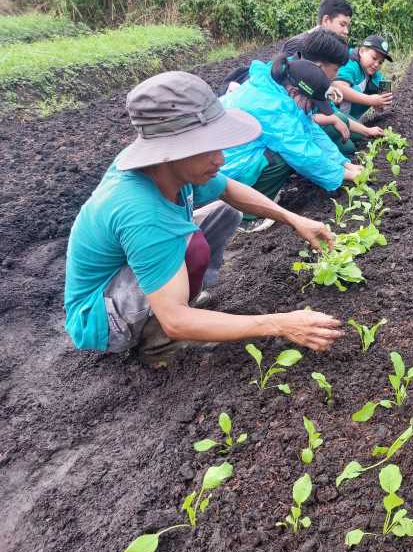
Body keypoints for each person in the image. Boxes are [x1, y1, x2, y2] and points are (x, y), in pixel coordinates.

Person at [64, 71, 344, 367]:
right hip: (101, 317)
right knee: (190, 250)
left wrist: (294, 219)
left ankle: (182, 300)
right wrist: (282, 323)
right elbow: (175, 320)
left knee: (225, 212)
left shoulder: (169, 167)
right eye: (209, 148)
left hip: (130, 269)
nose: (221, 159)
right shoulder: (141, 210)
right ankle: (157, 345)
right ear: (170, 151)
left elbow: (229, 189)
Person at [220, 55, 363, 232]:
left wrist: (344, 163)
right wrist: (343, 174)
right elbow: (301, 152)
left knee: (283, 151)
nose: (312, 109)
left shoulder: (279, 91)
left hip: (231, 157)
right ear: (295, 92)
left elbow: (310, 129)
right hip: (224, 169)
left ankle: (258, 193)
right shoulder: (270, 106)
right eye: (311, 104)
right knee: (281, 156)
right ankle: (246, 217)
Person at [332, 35, 394, 122]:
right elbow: (339, 87)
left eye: (380, 62)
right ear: (361, 51)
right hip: (331, 116)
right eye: (374, 58)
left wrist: (383, 103)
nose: (376, 64)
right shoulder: (349, 62)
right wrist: (371, 100)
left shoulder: (374, 73)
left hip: (351, 121)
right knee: (354, 89)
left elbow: (385, 92)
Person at [282, 0, 352, 57]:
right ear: (326, 20)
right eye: (342, 25)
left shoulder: (334, 49)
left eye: (347, 27)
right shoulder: (297, 45)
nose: (346, 31)